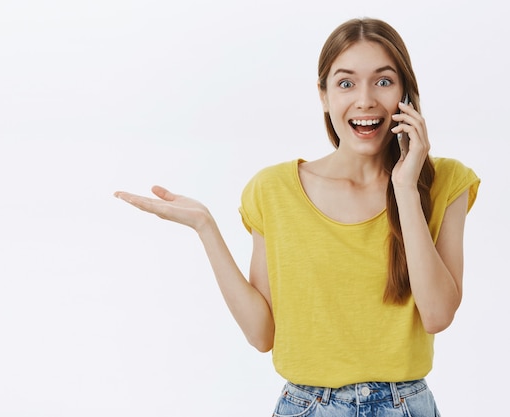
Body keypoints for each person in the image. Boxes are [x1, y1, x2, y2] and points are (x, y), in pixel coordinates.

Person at [114, 17, 480, 417]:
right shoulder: (272, 190)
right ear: (323, 95)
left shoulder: (444, 181)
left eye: (383, 81)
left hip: (404, 406)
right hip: (306, 406)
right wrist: (207, 228)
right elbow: (261, 334)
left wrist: (406, 187)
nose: (365, 100)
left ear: (406, 93)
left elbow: (438, 314)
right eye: (345, 83)